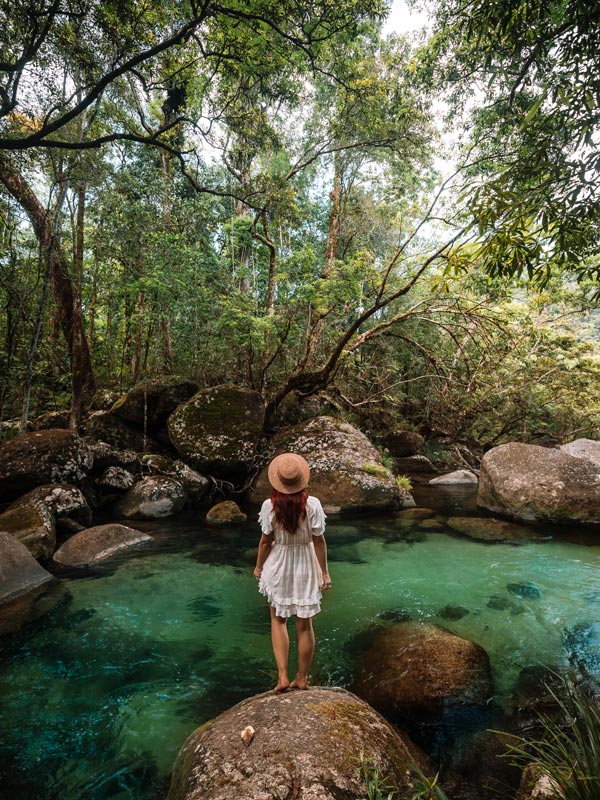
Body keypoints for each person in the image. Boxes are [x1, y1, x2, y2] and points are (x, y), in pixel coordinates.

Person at [253, 452, 331, 692]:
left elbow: (266, 542)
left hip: (279, 563)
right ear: (301, 481)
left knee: (278, 620)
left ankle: (283, 677)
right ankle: (303, 678)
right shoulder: (314, 505)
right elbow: (319, 541)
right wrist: (324, 573)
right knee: (305, 624)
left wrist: (258, 567)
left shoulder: (270, 506)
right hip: (306, 564)